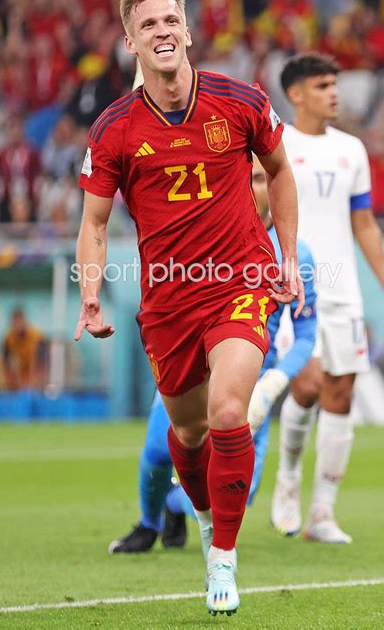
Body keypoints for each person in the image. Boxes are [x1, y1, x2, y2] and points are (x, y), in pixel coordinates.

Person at [74, 0, 303, 617]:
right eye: (148, 25)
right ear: (130, 42)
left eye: (171, 19)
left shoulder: (240, 101)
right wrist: (89, 295)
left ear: (190, 30)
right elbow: (93, 225)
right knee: (188, 429)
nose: (163, 31)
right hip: (170, 300)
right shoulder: (114, 128)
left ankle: (223, 558)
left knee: (231, 410)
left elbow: (281, 171)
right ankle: (206, 525)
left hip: (240, 281)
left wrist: (286, 256)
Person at [109, 157, 317, 553]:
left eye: (260, 178)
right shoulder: (208, 237)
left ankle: (176, 507)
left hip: (249, 383)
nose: (254, 188)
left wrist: (274, 383)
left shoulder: (297, 254)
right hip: (189, 367)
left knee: (237, 488)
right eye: (246, 178)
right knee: (157, 450)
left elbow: (307, 331)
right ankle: (149, 524)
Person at [251, 52, 384, 544]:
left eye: (335, 84)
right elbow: (256, 206)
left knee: (340, 394)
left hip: (343, 290)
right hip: (291, 282)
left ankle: (322, 512)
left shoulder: (351, 151)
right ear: (296, 93)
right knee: (306, 384)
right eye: (323, 85)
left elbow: (363, 223)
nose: (334, 93)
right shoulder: (275, 142)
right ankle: (287, 480)